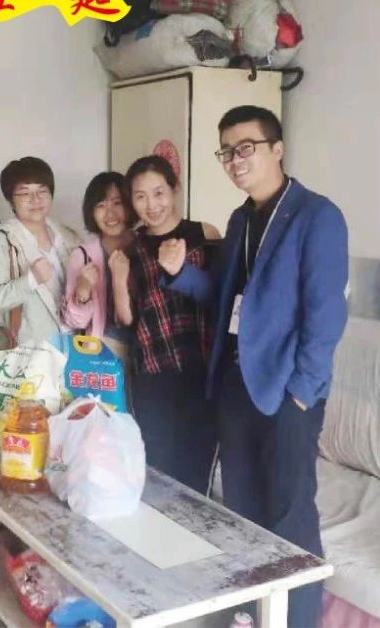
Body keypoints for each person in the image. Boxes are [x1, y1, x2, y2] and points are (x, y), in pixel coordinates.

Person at [161, 105, 348, 628]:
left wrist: (303, 391)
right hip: (236, 384)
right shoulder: (241, 220)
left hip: (288, 391)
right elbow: (225, 300)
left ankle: (297, 621)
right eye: (226, 152)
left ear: (277, 149)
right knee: (241, 509)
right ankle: (249, 614)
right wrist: (179, 273)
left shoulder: (317, 216)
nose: (235, 161)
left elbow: (325, 314)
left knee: (290, 513)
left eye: (246, 148)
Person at [114, 155, 221, 496]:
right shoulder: (131, 247)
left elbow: (221, 298)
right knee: (157, 468)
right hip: (153, 370)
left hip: (202, 367)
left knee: (197, 469)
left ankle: (196, 529)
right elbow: (127, 318)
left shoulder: (204, 234)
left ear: (174, 189)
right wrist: (117, 279)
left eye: (159, 193)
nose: (152, 205)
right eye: (140, 196)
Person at [0, 157, 80, 344]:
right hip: (30, 351)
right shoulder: (3, 241)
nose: (36, 200)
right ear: (11, 201)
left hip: (73, 346)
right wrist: (31, 280)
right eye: (25, 193)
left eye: (42, 191)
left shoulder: (68, 237)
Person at [61, 172, 136, 362]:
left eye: (117, 203)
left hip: (144, 349)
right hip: (104, 351)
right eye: (101, 205)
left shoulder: (143, 247)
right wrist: (83, 291)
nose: (110, 214)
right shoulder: (83, 255)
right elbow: (74, 322)